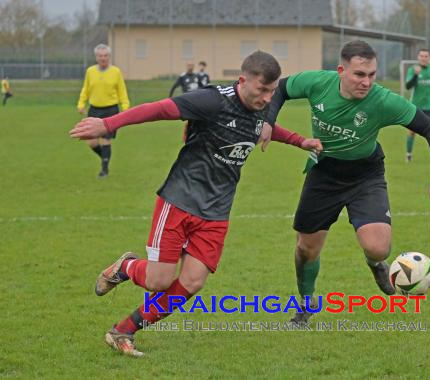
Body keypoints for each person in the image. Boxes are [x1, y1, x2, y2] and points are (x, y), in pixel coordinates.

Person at [69, 51, 322, 357]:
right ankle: (125, 266)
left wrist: (300, 141)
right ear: (243, 81)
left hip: (216, 212)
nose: (268, 98)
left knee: (192, 282)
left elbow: (262, 129)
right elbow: (159, 109)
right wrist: (108, 124)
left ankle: (123, 330)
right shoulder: (211, 101)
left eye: (272, 91)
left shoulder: (259, 108)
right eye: (262, 90)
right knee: (158, 281)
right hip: (180, 200)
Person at [265, 40, 430, 324]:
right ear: (341, 70)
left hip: (366, 175)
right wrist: (268, 121)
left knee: (378, 247)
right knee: (306, 248)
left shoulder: (383, 100)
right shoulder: (317, 83)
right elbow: (280, 88)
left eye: (371, 75)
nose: (366, 82)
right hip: (324, 172)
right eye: (359, 75)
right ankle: (306, 304)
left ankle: (376, 264)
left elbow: (429, 127)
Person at [77, 44, 130, 178]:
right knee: (92, 142)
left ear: (109, 57)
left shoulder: (116, 72)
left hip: (111, 110)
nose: (103, 58)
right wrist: (81, 103)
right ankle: (105, 158)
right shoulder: (90, 71)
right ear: (96, 57)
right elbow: (86, 89)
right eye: (100, 56)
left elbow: (122, 91)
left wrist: (125, 108)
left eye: (105, 56)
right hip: (94, 109)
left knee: (106, 140)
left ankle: (104, 170)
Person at [404, 49, 430, 162]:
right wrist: (416, 76)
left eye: (426, 56)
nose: (423, 58)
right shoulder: (413, 70)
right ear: (418, 58)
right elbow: (408, 86)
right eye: (421, 56)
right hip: (416, 106)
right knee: (412, 132)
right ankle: (409, 154)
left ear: (429, 58)